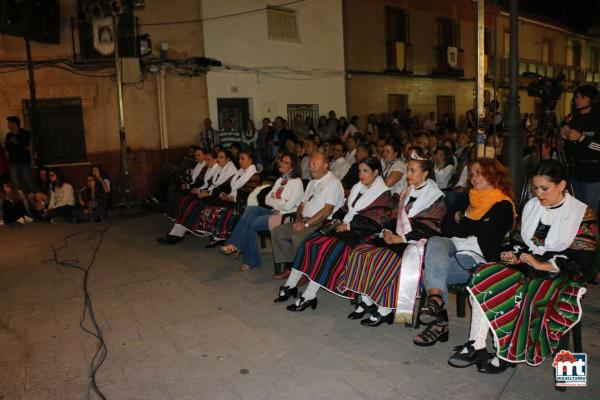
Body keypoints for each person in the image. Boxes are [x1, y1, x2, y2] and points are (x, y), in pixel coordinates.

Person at [449, 160, 597, 372]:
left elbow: (583, 261)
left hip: (559, 274)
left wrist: (543, 264)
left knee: (524, 291)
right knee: (484, 276)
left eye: (544, 188)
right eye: (535, 188)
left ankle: (507, 351)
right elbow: (519, 241)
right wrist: (513, 254)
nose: (539, 194)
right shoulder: (532, 206)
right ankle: (477, 345)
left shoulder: (582, 213)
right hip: (527, 267)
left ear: (562, 185)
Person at [414, 158, 516, 346]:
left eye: (480, 172)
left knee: (431, 270)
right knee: (435, 241)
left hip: (474, 257)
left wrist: (462, 221)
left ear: (493, 174)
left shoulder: (503, 205)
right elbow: (446, 227)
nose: (474, 177)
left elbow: (485, 234)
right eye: (473, 173)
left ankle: (439, 323)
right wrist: (469, 224)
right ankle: (436, 298)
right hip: (451, 245)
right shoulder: (468, 197)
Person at [274, 157, 396, 311]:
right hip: (345, 228)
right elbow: (344, 209)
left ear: (376, 172)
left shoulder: (383, 193)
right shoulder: (358, 187)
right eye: (360, 171)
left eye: (365, 171)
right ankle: (290, 286)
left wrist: (349, 225)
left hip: (362, 234)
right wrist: (337, 220)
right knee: (309, 242)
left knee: (325, 249)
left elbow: (376, 223)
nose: (361, 175)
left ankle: (309, 295)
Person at [343, 152, 446, 326]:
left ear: (426, 173)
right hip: (400, 237)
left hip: (419, 242)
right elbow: (393, 217)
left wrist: (402, 238)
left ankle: (385, 309)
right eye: (408, 170)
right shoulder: (407, 192)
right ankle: (368, 299)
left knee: (386, 259)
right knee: (363, 251)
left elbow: (429, 227)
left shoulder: (436, 197)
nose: (409, 174)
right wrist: (387, 231)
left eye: (413, 171)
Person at [220, 153, 304, 271]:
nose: (281, 163)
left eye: (286, 162)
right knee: (250, 209)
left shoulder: (297, 182)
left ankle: (247, 256)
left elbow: (288, 206)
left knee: (252, 222)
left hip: (285, 217)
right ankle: (235, 244)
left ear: (293, 167)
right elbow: (267, 199)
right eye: (281, 160)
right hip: (274, 211)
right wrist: (280, 201)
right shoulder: (280, 180)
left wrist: (276, 201)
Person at [270, 152, 345, 280]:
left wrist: (305, 225)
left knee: (297, 238)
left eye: (315, 164)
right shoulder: (312, 183)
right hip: (304, 220)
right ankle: (291, 267)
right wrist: (299, 220)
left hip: (323, 223)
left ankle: (303, 273)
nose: (311, 167)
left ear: (325, 165)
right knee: (277, 232)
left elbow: (327, 210)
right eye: (310, 164)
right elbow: (301, 205)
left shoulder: (333, 183)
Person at [158, 149, 237, 244]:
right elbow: (212, 184)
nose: (219, 160)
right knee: (188, 202)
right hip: (215, 195)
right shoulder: (221, 168)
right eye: (218, 157)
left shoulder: (231, 171)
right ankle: (177, 232)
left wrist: (207, 193)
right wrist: (203, 191)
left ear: (228, 159)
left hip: (223, 198)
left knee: (192, 204)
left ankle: (178, 233)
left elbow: (224, 189)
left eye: (221, 157)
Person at [195, 151, 261, 248]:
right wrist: (225, 195)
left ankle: (221, 236)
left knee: (218, 208)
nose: (239, 161)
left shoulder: (255, 176)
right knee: (211, 203)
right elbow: (230, 187)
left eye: (242, 159)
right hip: (234, 200)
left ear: (250, 161)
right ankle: (217, 236)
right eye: (239, 159)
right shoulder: (240, 172)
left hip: (244, 204)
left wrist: (231, 197)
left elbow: (248, 194)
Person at [560, 84, 600, 215]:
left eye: (579, 97)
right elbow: (566, 136)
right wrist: (563, 133)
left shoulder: (597, 119)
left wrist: (581, 138)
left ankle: (591, 235)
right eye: (575, 97)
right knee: (576, 212)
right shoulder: (575, 118)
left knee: (589, 213)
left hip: (592, 175)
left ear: (589, 99)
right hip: (574, 172)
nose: (576, 100)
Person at [4, 116, 34, 192]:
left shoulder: (26, 133)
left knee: (28, 180)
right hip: (13, 161)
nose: (8, 125)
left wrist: (14, 143)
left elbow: (24, 144)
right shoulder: (8, 135)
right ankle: (20, 200)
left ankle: (33, 197)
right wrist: (16, 145)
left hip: (24, 161)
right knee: (15, 182)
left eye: (9, 123)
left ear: (14, 123)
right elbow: (7, 148)